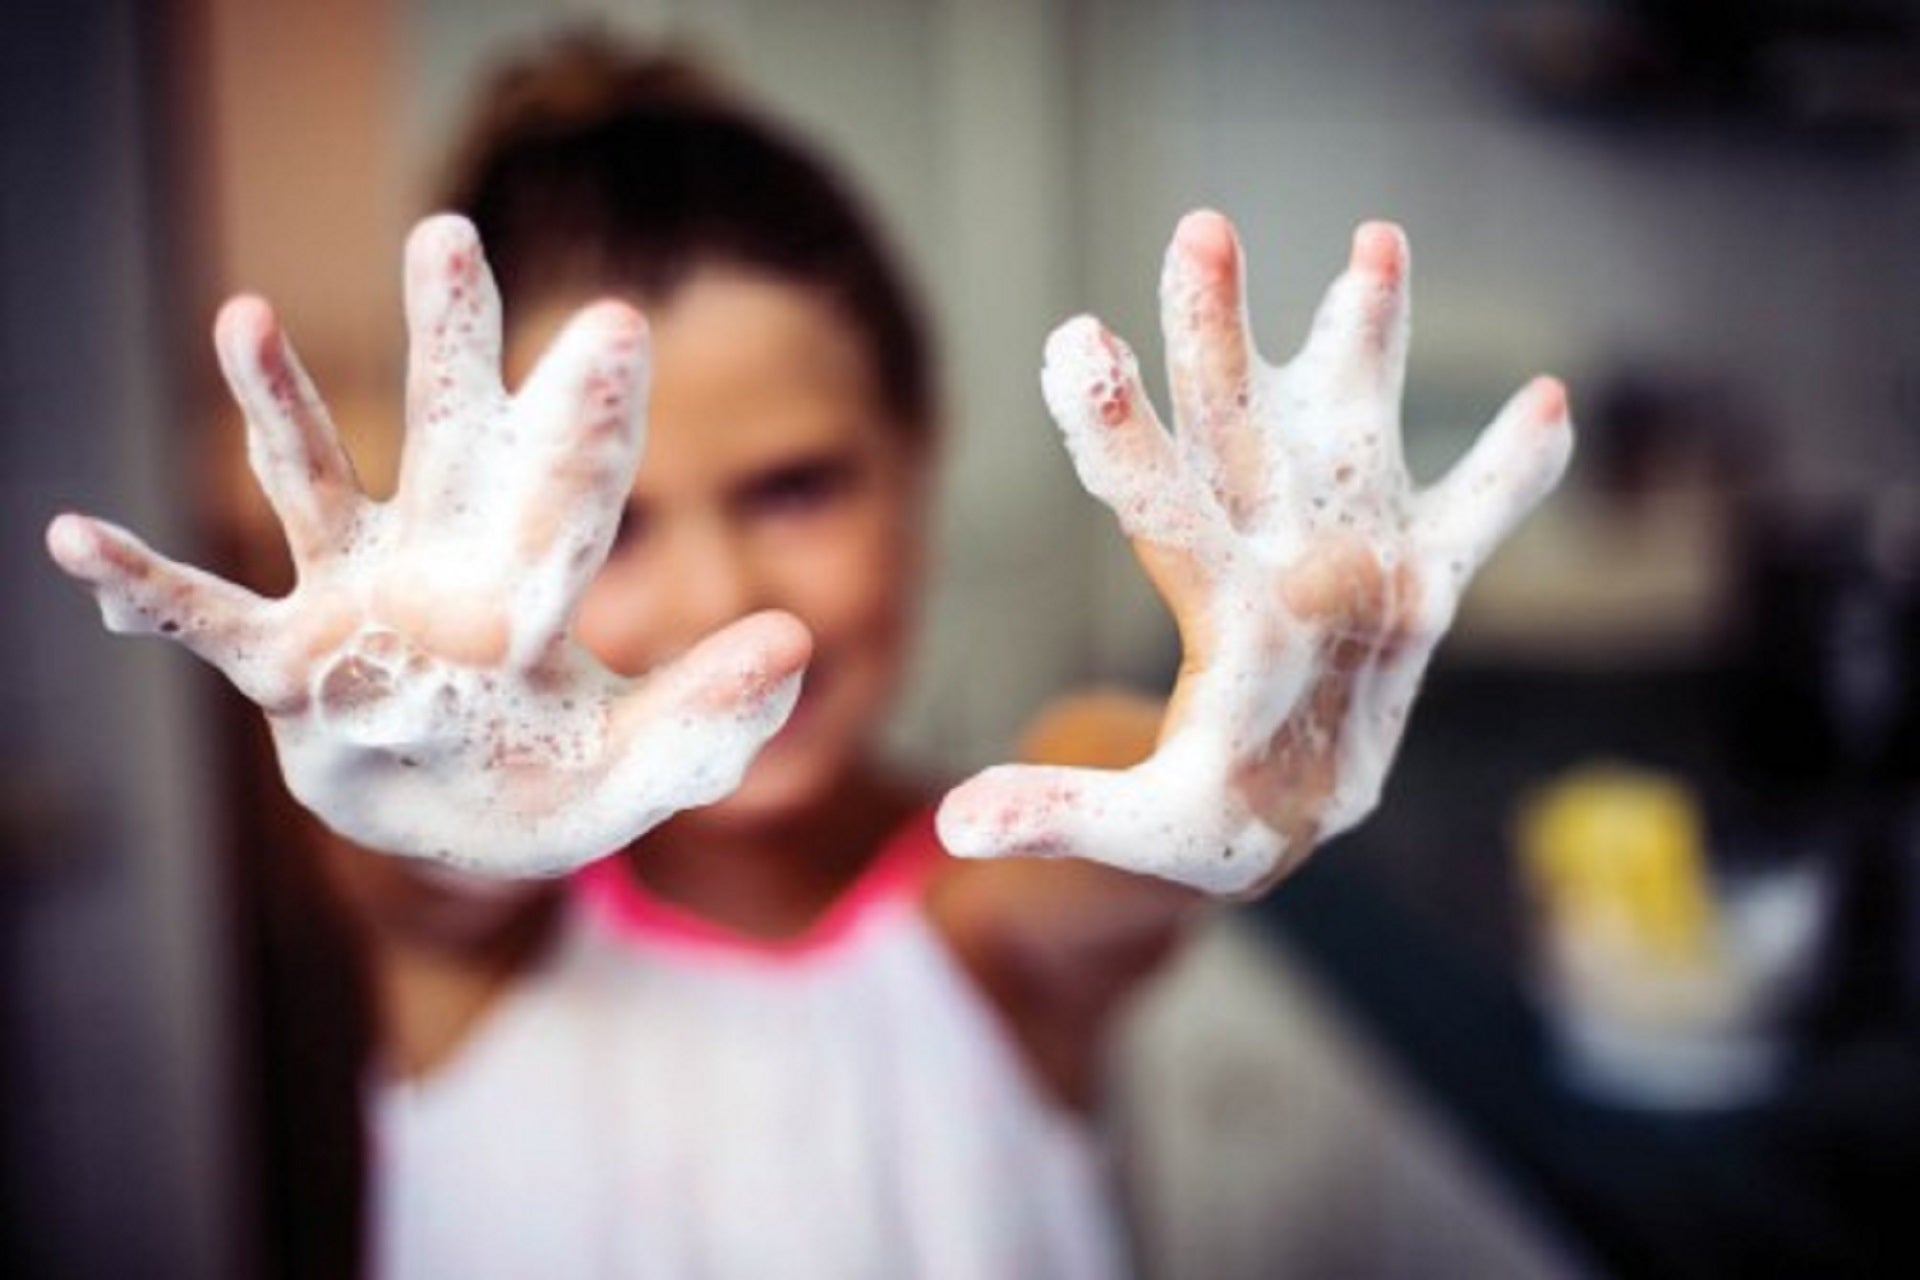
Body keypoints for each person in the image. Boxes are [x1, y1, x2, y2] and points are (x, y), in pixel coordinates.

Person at [44, 33, 1572, 1279]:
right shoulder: (476, 938)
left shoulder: (989, 917)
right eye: (613, 528)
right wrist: (409, 755)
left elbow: (1109, 804)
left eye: (796, 487)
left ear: (919, 462)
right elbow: (409, 877)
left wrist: (1218, 769)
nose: (722, 595)